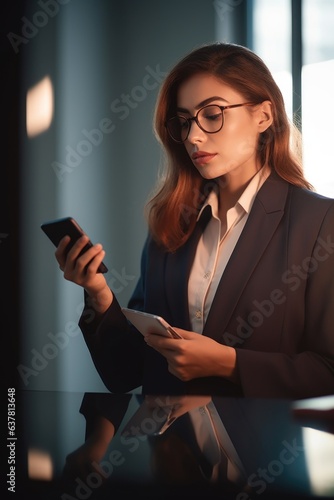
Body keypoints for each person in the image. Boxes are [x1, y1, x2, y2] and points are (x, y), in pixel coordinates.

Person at [55, 42, 334, 399]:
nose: (194, 136)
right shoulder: (172, 222)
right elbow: (127, 372)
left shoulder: (319, 223)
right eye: (184, 121)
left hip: (265, 450)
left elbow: (329, 370)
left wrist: (229, 363)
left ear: (263, 116)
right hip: (173, 451)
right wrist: (97, 293)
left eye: (213, 114)